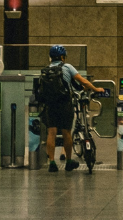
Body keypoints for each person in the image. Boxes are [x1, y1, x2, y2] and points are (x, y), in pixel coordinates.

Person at [34, 44, 107, 172]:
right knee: (66, 132)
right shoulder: (67, 67)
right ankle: (68, 161)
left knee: (51, 133)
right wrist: (96, 89)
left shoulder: (46, 70)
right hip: (64, 104)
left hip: (50, 105)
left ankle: (52, 163)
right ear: (62, 57)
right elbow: (82, 81)